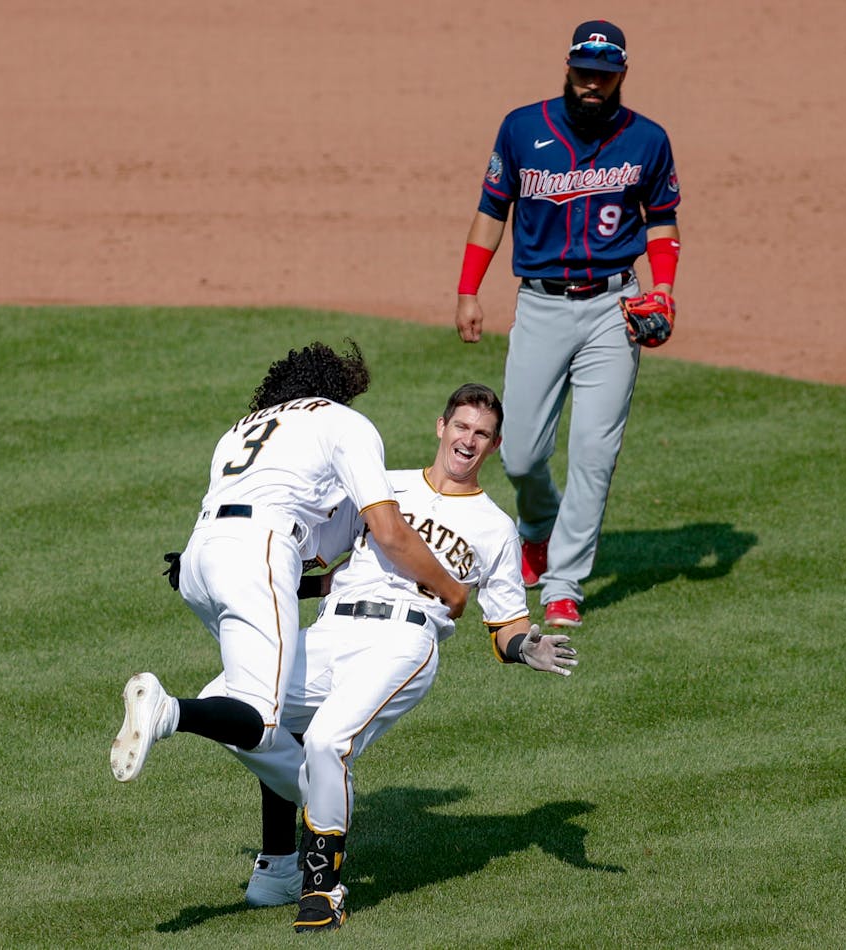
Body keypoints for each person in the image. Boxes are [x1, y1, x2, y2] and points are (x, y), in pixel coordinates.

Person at [220, 383, 579, 932]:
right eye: (461, 427)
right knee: (228, 706)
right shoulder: (383, 487)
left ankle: (323, 888)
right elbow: (311, 557)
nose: (468, 441)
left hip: (403, 642)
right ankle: (305, 824)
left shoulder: (496, 528)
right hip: (332, 628)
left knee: (326, 740)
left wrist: (526, 645)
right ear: (441, 427)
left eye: (481, 434)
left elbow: (505, 626)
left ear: (495, 445)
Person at [109, 340, 468, 788]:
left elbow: (299, 556)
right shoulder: (343, 422)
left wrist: (321, 586)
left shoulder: (240, 430)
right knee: (260, 720)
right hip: (257, 549)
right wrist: (451, 590)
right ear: (337, 389)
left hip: (199, 559)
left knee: (269, 709)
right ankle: (168, 712)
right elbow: (390, 531)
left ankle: (281, 854)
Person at [453, 19, 684, 629]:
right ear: (568, 66)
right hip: (541, 305)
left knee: (593, 453)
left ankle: (564, 583)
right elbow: (490, 211)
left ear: (621, 76)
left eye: (604, 74)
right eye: (584, 70)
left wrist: (662, 289)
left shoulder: (647, 140)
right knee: (522, 452)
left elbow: (661, 221)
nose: (592, 82)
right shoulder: (522, 128)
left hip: (615, 309)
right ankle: (536, 526)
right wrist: (468, 290)